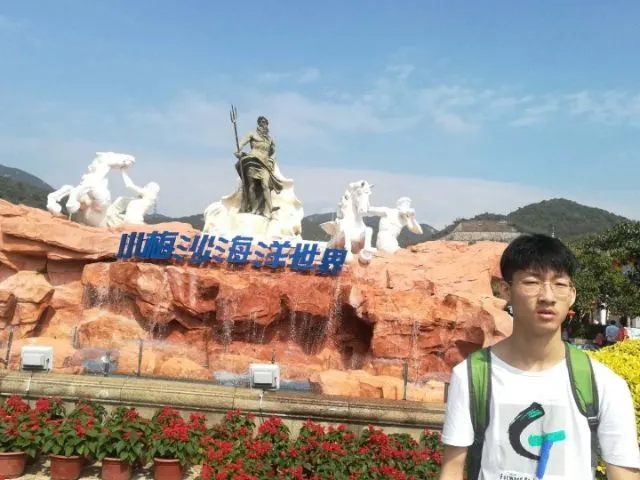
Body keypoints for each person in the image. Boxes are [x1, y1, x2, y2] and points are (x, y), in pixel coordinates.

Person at [439, 234, 640, 480]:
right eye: (532, 282)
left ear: (572, 294)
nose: (547, 296)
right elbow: (452, 470)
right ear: (506, 290)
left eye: (560, 284)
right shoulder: (471, 376)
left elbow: (624, 474)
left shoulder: (604, 384)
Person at [233, 116, 283, 218]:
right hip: (252, 160)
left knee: (266, 185)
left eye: (265, 123)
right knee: (251, 186)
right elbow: (241, 143)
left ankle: (270, 207)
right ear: (259, 123)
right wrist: (237, 151)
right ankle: (254, 208)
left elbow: (274, 152)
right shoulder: (252, 133)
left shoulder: (269, 139)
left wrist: (271, 160)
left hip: (265, 163)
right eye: (262, 122)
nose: (264, 125)